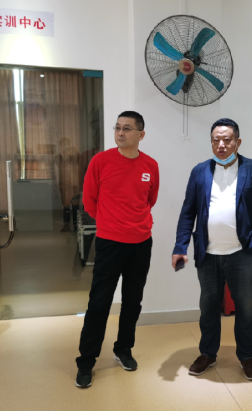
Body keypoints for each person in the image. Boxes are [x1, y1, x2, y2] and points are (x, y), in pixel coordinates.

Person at [172, 118, 252, 381]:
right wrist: (180, 246)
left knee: (245, 309)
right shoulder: (200, 171)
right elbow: (188, 212)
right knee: (208, 307)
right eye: (216, 140)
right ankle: (208, 353)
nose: (221, 145)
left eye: (227, 139)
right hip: (208, 255)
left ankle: (247, 356)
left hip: (242, 254)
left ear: (238, 142)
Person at [75, 111, 159, 388]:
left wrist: (133, 223)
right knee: (99, 303)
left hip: (141, 243)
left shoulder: (150, 165)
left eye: (127, 128)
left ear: (140, 134)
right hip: (110, 243)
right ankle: (86, 361)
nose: (120, 133)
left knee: (133, 302)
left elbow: (150, 199)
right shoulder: (101, 161)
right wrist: (111, 223)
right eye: (118, 128)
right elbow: (89, 200)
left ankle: (123, 349)